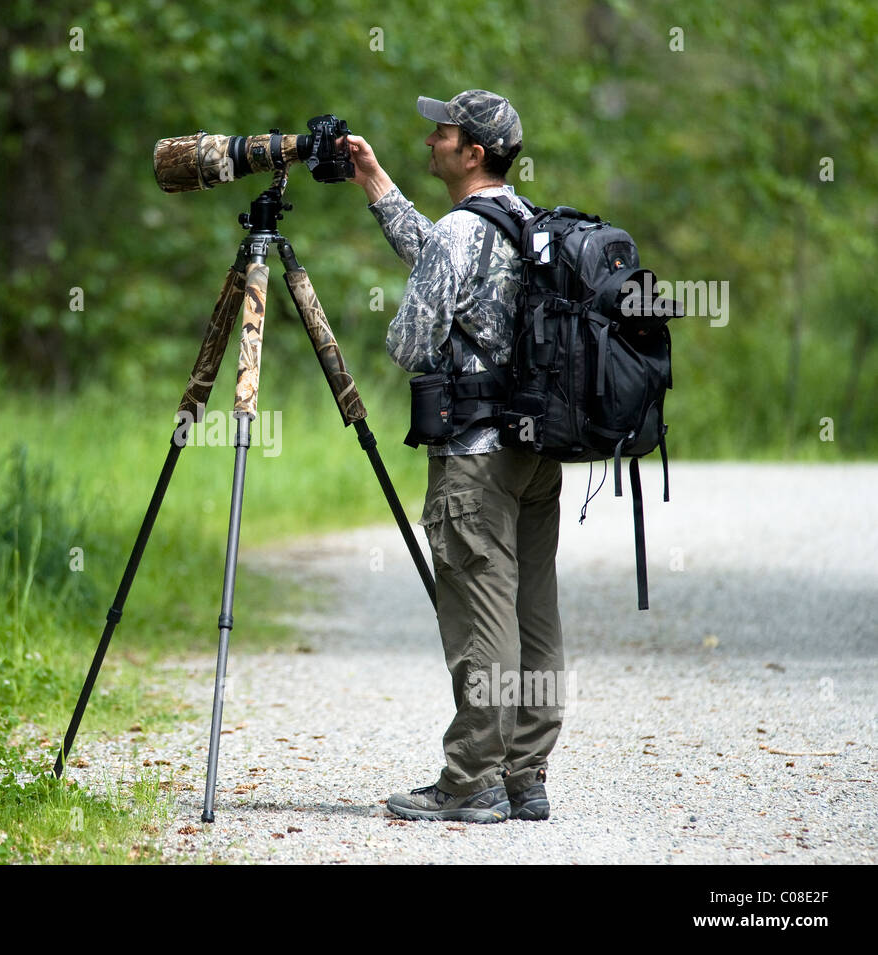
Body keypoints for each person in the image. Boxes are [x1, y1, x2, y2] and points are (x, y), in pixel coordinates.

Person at [345, 90, 564, 823]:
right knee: (533, 609)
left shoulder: (457, 234)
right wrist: (375, 184)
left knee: (480, 614)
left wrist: (423, 324)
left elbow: (407, 343)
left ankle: (472, 777)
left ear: (472, 152)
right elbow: (443, 257)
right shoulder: (527, 221)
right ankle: (526, 772)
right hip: (536, 450)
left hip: (473, 456)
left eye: (443, 132)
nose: (432, 139)